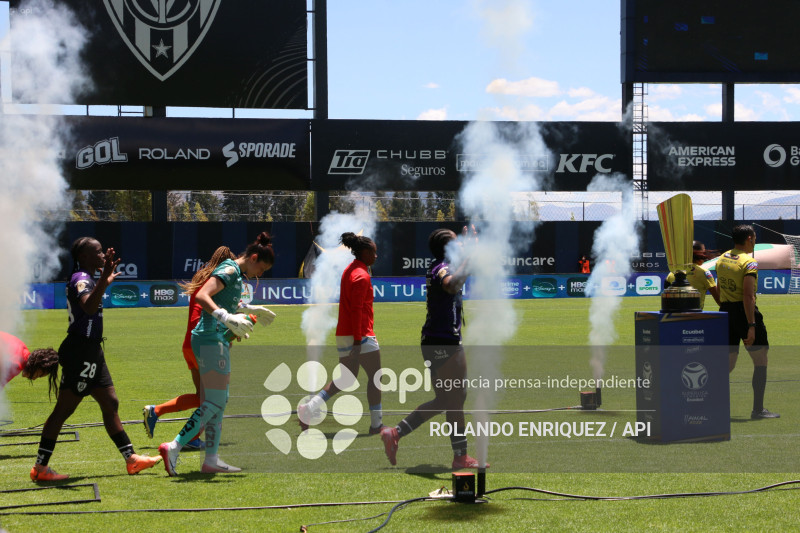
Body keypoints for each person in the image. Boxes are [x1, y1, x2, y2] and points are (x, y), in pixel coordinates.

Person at [31, 237, 161, 482]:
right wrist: (104, 279)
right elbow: (89, 308)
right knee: (64, 410)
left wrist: (105, 280)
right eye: (98, 252)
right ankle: (40, 468)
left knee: (110, 402)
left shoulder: (88, 278)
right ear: (84, 258)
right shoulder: (81, 279)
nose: (103, 255)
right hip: (80, 352)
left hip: (92, 351)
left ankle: (131, 460)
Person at [159, 232, 276, 475]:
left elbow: (228, 300)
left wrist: (249, 308)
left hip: (214, 339)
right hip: (209, 338)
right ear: (253, 257)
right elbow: (203, 295)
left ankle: (210, 459)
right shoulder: (230, 269)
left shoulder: (235, 273)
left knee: (219, 401)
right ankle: (174, 446)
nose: (260, 275)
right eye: (261, 269)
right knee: (214, 401)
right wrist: (225, 316)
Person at [380, 229, 483, 469]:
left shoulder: (441, 265)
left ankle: (395, 433)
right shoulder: (441, 269)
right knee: (455, 400)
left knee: (447, 399)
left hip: (434, 341)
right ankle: (460, 457)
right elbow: (450, 285)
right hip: (444, 342)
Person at [142, 246, 237, 450]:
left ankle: (160, 414)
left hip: (190, 344)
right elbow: (202, 317)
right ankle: (174, 429)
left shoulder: (203, 279)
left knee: (202, 397)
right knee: (212, 398)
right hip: (203, 343)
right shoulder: (216, 284)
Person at [298, 232, 384, 435]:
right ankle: (376, 425)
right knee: (376, 377)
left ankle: (308, 409)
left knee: (347, 378)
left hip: (345, 332)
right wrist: (357, 341)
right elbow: (356, 310)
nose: (376, 256)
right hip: (360, 334)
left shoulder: (350, 270)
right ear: (364, 252)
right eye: (374, 252)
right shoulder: (361, 276)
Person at [716, 225, 779, 420]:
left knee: (727, 364)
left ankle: (707, 403)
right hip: (744, 314)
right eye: (754, 238)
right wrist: (751, 326)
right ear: (750, 239)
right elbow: (748, 296)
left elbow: (719, 290)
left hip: (725, 312)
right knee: (761, 361)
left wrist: (727, 310)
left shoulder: (722, 258)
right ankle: (758, 410)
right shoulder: (749, 262)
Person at [664, 240, 721, 309]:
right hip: (694, 316)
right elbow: (719, 300)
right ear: (700, 254)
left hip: (675, 317)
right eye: (704, 251)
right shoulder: (703, 272)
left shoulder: (673, 273)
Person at [0, 332, 59, 397]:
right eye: (38, 375)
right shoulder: (15, 364)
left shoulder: (23, 348)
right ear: (37, 365)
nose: (33, 379)